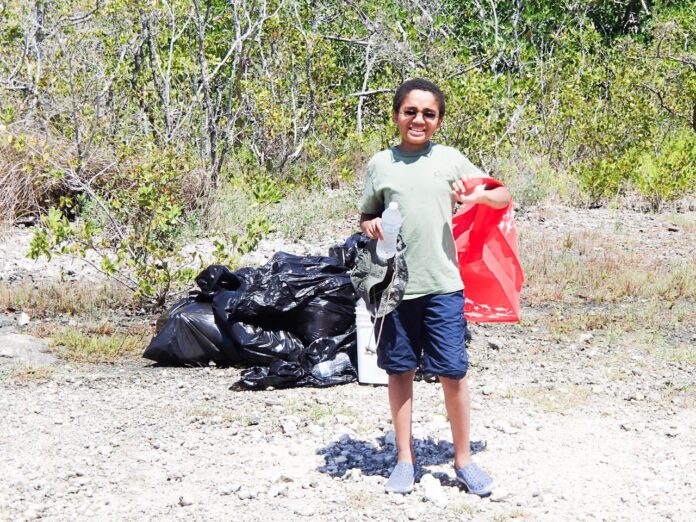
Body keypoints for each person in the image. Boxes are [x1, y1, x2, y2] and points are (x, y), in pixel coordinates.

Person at [359, 78, 511, 496]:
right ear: (396, 116)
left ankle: (463, 460)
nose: (418, 119)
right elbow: (367, 216)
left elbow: (503, 197)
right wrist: (370, 226)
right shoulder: (380, 164)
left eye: (428, 113)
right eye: (410, 111)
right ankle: (405, 460)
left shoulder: (450, 160)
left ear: (438, 121)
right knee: (399, 371)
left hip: (443, 284)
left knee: (454, 374)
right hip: (394, 286)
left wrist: (477, 197)